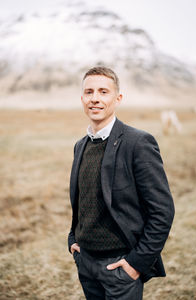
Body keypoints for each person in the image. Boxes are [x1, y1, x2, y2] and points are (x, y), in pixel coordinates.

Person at [68, 66, 175, 300]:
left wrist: (136, 263)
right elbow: (82, 200)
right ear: (82, 98)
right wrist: (73, 240)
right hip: (85, 263)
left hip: (121, 267)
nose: (95, 98)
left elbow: (162, 211)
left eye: (103, 92)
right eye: (89, 92)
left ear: (118, 99)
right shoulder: (80, 146)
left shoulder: (138, 143)